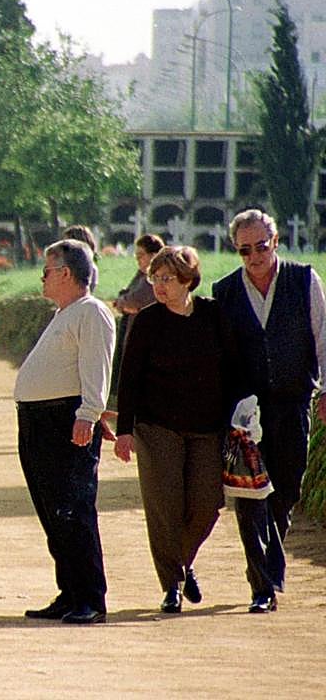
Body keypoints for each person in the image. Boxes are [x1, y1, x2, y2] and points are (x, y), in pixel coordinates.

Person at [212, 208, 326, 613]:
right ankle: (262, 584)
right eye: (245, 250)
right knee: (250, 497)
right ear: (236, 251)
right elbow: (221, 357)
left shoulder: (303, 279)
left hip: (294, 401)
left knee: (287, 490)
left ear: (275, 242)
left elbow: (323, 336)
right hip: (246, 410)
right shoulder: (224, 291)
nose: (255, 256)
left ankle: (264, 567)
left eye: (261, 246)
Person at [112, 246, 238, 614]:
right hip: (157, 426)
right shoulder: (147, 320)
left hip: (207, 426)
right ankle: (172, 585)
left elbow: (232, 369)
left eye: (167, 278)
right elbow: (129, 377)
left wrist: (238, 417)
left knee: (206, 505)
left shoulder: (213, 315)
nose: (159, 285)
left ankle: (183, 562)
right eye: (155, 278)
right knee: (164, 507)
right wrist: (125, 430)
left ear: (188, 280)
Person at [14, 239, 115, 625]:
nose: (42, 279)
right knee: (52, 511)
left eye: (47, 271)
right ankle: (70, 591)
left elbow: (95, 368)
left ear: (66, 273)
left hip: (64, 420)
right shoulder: (65, 313)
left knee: (73, 510)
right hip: (40, 421)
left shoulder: (91, 312)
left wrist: (88, 414)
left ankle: (89, 596)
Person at [107, 233, 164, 406]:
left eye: (141, 255)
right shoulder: (142, 276)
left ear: (153, 255)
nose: (138, 260)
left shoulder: (152, 279)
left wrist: (123, 301)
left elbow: (133, 301)